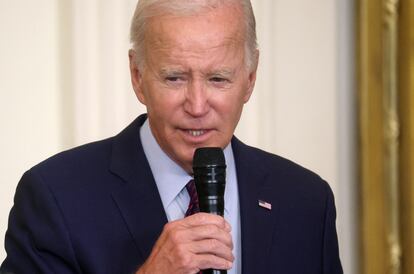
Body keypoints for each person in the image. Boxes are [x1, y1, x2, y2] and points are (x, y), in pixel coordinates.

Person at [0, 0, 343, 273]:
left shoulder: (306, 202)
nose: (196, 105)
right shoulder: (55, 198)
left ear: (250, 79)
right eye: (174, 78)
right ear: (137, 76)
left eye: (218, 79)